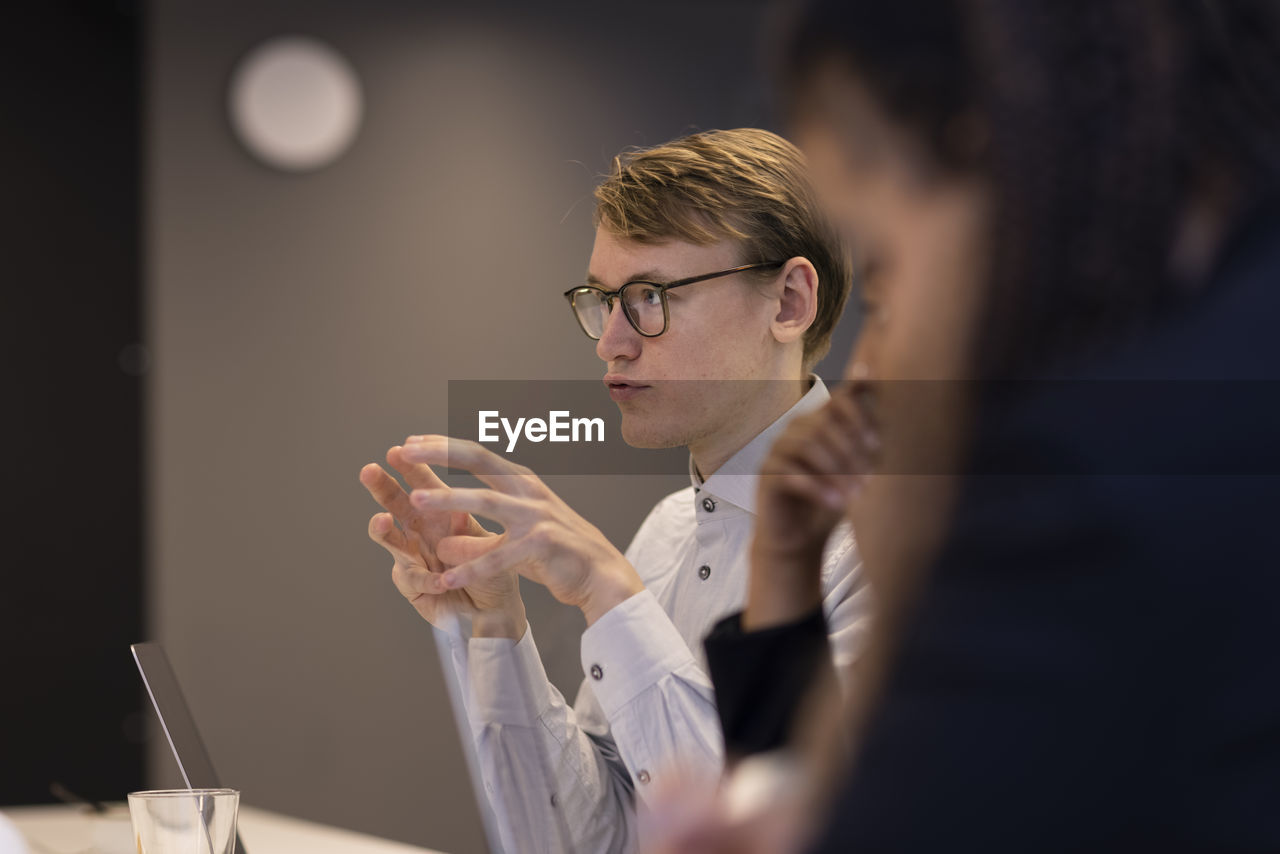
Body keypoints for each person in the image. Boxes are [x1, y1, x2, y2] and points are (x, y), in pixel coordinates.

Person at [646, 1, 1280, 852]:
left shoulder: (1088, 495)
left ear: (988, 155)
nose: (875, 362)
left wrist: (918, 555)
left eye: (886, 271)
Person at [359, 128, 868, 853]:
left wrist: (610, 594)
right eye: (603, 300)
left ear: (788, 301)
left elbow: (779, 838)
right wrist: (495, 630)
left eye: (651, 296)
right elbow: (590, 840)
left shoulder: (891, 546)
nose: (611, 342)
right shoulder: (668, 530)